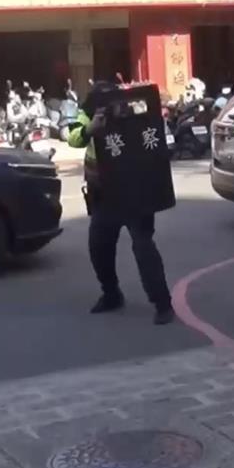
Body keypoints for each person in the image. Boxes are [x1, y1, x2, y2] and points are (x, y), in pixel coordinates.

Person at [67, 81, 175, 325]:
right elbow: (73, 138)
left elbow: (157, 141)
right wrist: (91, 128)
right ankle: (111, 294)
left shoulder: (136, 111)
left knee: (143, 247)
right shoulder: (88, 114)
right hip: (104, 195)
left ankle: (162, 303)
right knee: (99, 246)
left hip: (137, 192)